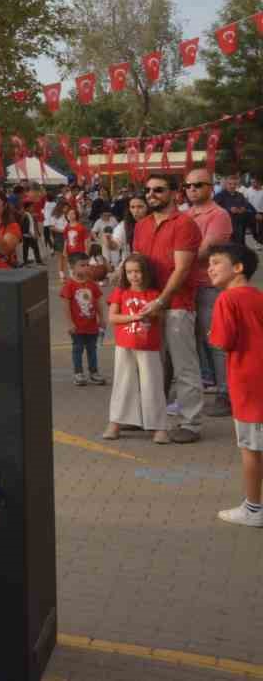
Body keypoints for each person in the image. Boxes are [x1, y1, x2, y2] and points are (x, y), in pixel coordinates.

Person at [133, 175, 205, 442]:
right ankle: (151, 418)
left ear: (174, 193)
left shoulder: (184, 224)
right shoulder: (141, 225)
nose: (151, 194)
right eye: (148, 190)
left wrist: (161, 301)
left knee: (184, 365)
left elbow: (182, 269)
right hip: (149, 305)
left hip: (176, 305)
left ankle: (191, 423)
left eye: (159, 190)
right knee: (151, 365)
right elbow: (137, 265)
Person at [205, 242, 263, 527]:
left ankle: (254, 508)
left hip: (248, 384)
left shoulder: (227, 299)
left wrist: (210, 334)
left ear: (238, 268)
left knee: (251, 450)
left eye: (216, 262)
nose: (210, 268)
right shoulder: (256, 295)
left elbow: (222, 340)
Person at [185, 168, 235, 415]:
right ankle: (208, 385)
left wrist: (177, 259)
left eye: (198, 185)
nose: (192, 189)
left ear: (210, 188)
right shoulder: (185, 215)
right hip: (187, 286)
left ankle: (227, 394)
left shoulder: (219, 215)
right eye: (189, 186)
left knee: (215, 340)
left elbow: (203, 252)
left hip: (208, 286)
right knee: (193, 341)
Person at [104, 253, 169, 443]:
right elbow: (113, 317)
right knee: (122, 383)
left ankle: (159, 426)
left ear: (146, 273)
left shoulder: (155, 294)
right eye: (130, 272)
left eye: (138, 271)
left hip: (149, 345)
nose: (134, 276)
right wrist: (135, 317)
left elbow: (160, 317)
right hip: (125, 344)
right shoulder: (120, 292)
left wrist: (153, 313)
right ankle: (116, 422)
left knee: (153, 384)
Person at [60, 252, 106, 386]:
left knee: (92, 350)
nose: (86, 268)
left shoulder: (92, 284)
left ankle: (94, 372)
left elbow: (98, 302)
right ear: (72, 267)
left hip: (92, 325)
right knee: (78, 349)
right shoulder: (69, 285)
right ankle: (78, 373)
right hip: (77, 326)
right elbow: (66, 306)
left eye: (87, 265)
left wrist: (102, 318)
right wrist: (69, 323)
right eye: (82, 265)